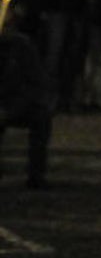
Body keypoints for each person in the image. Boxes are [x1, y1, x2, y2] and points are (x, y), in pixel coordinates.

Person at [0, 17, 52, 188]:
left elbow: (35, 84)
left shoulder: (22, 47)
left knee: (41, 116)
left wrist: (11, 110)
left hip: (16, 103)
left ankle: (36, 174)